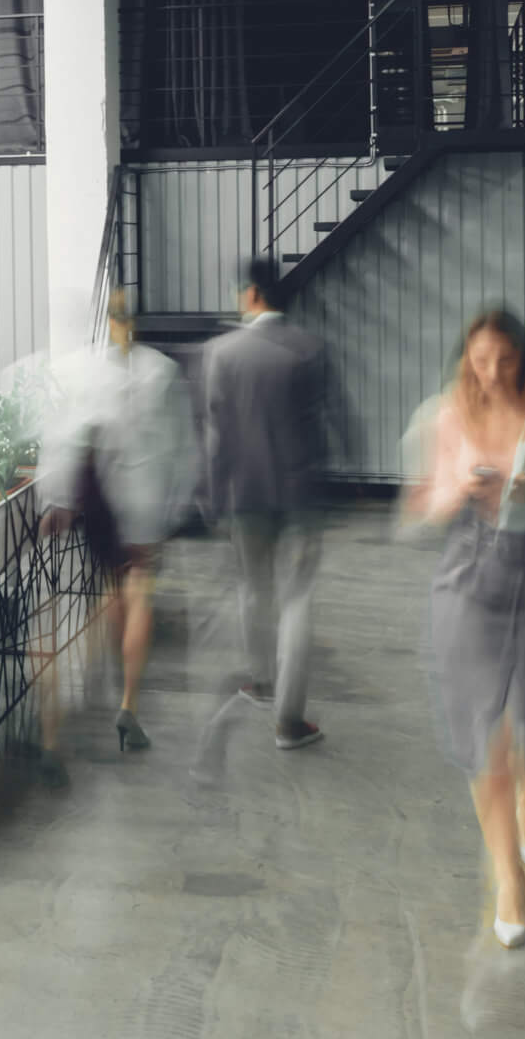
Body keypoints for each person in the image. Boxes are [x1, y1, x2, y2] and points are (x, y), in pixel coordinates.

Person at [402, 307, 525, 949]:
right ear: (467, 359)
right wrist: (457, 488)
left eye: (505, 360)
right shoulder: (448, 416)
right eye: (480, 360)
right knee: (486, 734)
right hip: (467, 579)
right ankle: (508, 875)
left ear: (524, 359)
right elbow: (420, 505)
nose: (491, 373)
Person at [39, 292, 196, 754]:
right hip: (145, 500)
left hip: (103, 502)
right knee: (139, 590)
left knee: (109, 587)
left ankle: (90, 678)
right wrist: (178, 506)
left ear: (105, 323)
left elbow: (67, 438)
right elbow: (182, 446)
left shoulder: (83, 371)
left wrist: (60, 500)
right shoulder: (161, 371)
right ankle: (128, 703)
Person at [197, 258, 333, 752]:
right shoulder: (308, 348)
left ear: (252, 294)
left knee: (253, 591)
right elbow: (321, 425)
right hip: (298, 495)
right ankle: (289, 722)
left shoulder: (221, 353)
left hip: (244, 495)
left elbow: (216, 437)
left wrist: (213, 496)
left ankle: (261, 682)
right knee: (297, 601)